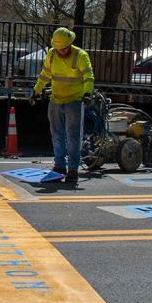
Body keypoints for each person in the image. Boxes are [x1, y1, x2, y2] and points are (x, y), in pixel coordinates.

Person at [31, 27, 94, 188]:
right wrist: (36, 91)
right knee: (57, 134)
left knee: (73, 136)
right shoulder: (52, 54)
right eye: (58, 48)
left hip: (74, 100)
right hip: (56, 100)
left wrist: (87, 93)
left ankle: (73, 170)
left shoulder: (80, 55)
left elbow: (88, 76)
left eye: (63, 48)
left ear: (70, 44)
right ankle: (59, 165)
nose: (60, 51)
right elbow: (45, 74)